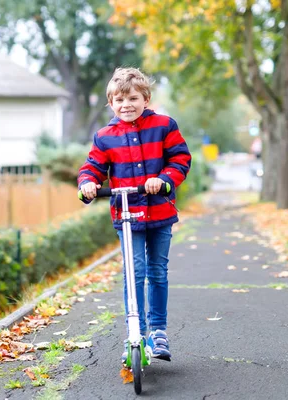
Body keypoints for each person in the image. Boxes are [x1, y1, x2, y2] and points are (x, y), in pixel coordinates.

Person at [77, 67, 191, 362]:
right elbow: (93, 166)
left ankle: (158, 330)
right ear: (110, 104)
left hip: (159, 211)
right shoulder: (105, 137)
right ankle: (135, 331)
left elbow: (180, 158)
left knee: (157, 271)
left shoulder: (164, 126)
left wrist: (165, 179)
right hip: (127, 216)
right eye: (119, 100)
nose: (126, 105)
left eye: (132, 98)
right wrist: (88, 183)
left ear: (146, 99)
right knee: (134, 272)